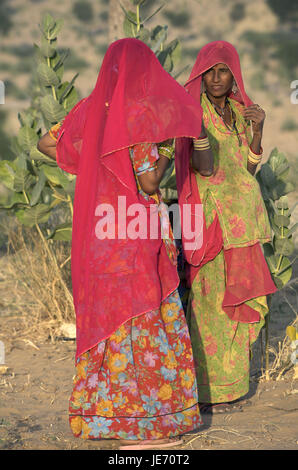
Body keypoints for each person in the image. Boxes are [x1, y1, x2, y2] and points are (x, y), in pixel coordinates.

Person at [37, 38, 204, 450]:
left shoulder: (91, 109)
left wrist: (90, 162)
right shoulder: (143, 115)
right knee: (144, 320)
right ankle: (144, 426)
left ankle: (103, 418)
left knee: (109, 323)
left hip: (99, 233)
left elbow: (45, 142)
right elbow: (149, 182)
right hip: (134, 233)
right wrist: (166, 148)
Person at [175, 41, 277, 413]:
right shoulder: (191, 112)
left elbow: (247, 170)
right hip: (211, 223)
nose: (216, 79)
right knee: (208, 303)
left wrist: (258, 130)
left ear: (234, 75)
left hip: (245, 223)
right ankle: (204, 391)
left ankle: (232, 387)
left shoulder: (239, 111)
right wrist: (199, 130)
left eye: (223, 71)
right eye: (210, 72)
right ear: (200, 76)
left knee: (238, 303)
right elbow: (202, 169)